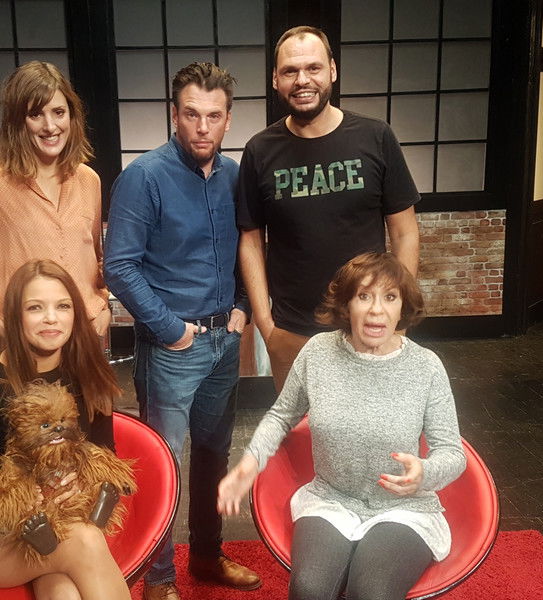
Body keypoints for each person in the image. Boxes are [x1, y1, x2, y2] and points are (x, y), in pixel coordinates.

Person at [218, 252, 466, 600]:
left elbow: (452, 452)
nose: (376, 310)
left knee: (371, 592)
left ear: (402, 307)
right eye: (364, 296)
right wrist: (250, 462)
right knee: (309, 590)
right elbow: (281, 416)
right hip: (331, 500)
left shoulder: (426, 366)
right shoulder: (318, 352)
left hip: (403, 509)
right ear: (347, 305)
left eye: (389, 297)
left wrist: (425, 473)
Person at [104, 62, 260, 600]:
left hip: (225, 341)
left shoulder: (236, 176)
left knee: (214, 453)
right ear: (174, 114)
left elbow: (249, 249)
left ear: (228, 119)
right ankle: (159, 578)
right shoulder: (144, 177)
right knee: (164, 463)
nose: (202, 127)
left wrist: (244, 307)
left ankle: (208, 556)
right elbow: (119, 266)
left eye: (214, 116)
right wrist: (172, 330)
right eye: (191, 114)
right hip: (174, 345)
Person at [237, 26, 421, 393]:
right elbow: (251, 241)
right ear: (275, 79)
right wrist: (266, 325)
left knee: (371, 425)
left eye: (313, 68)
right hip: (291, 331)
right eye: (290, 71)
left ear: (332, 71)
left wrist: (396, 319)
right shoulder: (260, 150)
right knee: (299, 426)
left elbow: (404, 233)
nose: (302, 80)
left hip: (368, 327)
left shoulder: (375, 137)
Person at [0, 259, 129, 600]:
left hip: (58, 525)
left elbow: (106, 457)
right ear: (15, 316)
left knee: (63, 593)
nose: (51, 318)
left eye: (62, 306)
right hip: (6, 536)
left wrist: (81, 483)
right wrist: (30, 493)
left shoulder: (90, 374)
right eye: (35, 308)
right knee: (84, 539)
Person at [0, 61, 111, 344]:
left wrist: (102, 304)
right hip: (20, 339)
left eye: (59, 112)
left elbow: (96, 256)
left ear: (71, 116)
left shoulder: (89, 180)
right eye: (36, 114)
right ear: (17, 121)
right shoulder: (2, 184)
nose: (50, 126)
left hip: (84, 334)